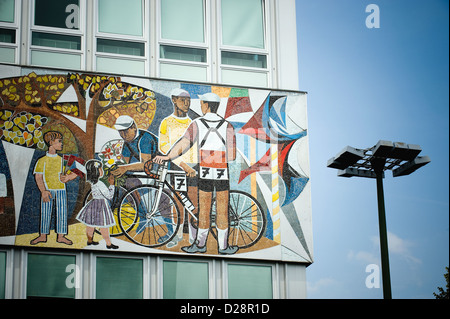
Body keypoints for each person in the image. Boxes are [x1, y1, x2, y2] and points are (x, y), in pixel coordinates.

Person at [154, 92, 238, 255]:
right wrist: (217, 155)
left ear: (206, 105)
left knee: (204, 209)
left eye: (201, 104)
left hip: (204, 170)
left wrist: (168, 156)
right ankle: (223, 247)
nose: (200, 106)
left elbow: (183, 145)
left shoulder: (196, 124)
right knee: (222, 210)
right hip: (222, 172)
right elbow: (232, 155)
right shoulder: (228, 125)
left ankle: (200, 245)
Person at [159, 88, 198, 247]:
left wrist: (191, 167)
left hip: (194, 168)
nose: (187, 103)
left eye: (188, 100)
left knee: (194, 203)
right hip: (177, 169)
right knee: (178, 202)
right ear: (174, 100)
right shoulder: (166, 122)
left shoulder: (192, 123)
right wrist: (183, 165)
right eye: (183, 100)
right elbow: (164, 148)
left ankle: (194, 238)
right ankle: (177, 235)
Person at [30, 131, 78, 245]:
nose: (61, 144)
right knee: (45, 212)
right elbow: (38, 177)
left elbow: (77, 171)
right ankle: (42, 236)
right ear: (51, 143)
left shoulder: (62, 159)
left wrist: (68, 177)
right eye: (59, 141)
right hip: (47, 191)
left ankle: (61, 236)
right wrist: (43, 191)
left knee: (62, 212)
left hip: (61, 190)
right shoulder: (42, 160)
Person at [76, 159, 118, 249]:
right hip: (101, 206)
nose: (102, 170)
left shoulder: (93, 182)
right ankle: (108, 244)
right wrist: (111, 185)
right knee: (104, 226)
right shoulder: (100, 184)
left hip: (93, 204)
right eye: (100, 169)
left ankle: (89, 241)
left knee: (90, 225)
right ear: (96, 171)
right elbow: (109, 196)